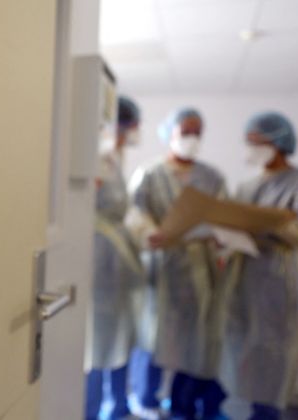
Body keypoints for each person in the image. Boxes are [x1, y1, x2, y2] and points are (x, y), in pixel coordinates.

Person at [220, 112, 298, 420]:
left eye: (258, 142)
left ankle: (266, 414)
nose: (251, 148)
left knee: (274, 355)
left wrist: (275, 226)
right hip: (244, 275)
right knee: (244, 351)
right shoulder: (246, 186)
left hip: (279, 278)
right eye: (248, 142)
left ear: (279, 142)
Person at [127, 108, 227, 420]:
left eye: (198, 132)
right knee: (153, 334)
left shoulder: (212, 177)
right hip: (161, 263)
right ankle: (146, 398)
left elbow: (224, 216)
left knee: (196, 337)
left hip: (199, 265)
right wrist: (149, 232)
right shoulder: (150, 173)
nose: (192, 139)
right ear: (169, 133)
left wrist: (223, 236)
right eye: (186, 132)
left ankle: (182, 403)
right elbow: (134, 213)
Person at [84, 96, 144, 420]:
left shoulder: (113, 158)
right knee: (96, 341)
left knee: (119, 334)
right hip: (99, 259)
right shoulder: (96, 157)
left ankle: (119, 405)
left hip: (116, 259)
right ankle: (90, 411)